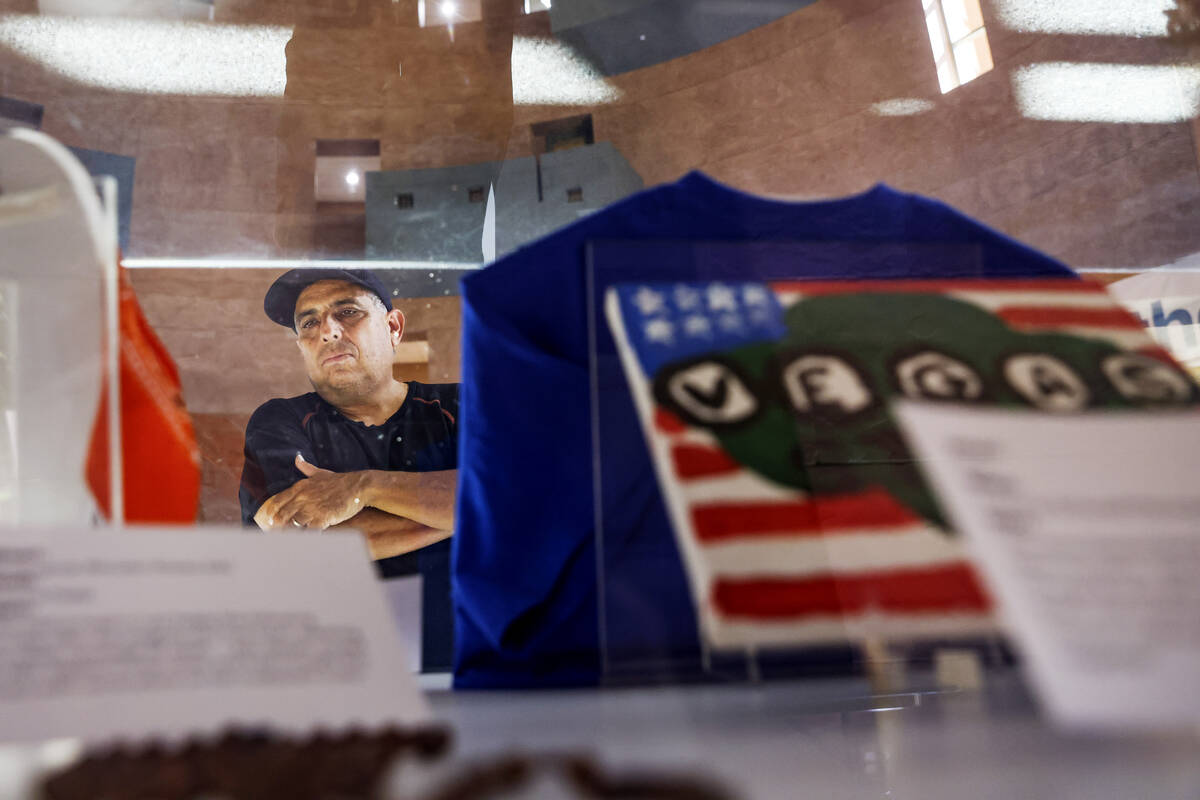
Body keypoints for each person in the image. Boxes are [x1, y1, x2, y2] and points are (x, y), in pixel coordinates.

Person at [238, 268, 458, 561]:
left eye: (348, 312)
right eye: (309, 322)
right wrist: (469, 515)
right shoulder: (280, 422)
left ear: (393, 328)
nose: (328, 331)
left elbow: (528, 492)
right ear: (302, 347)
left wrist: (363, 487)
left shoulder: (466, 405)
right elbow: (306, 540)